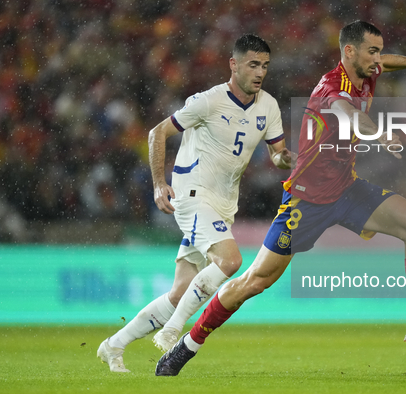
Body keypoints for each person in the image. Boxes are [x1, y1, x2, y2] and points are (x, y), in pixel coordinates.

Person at [155, 21, 406, 376]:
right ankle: (186, 346)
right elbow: (348, 113)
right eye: (372, 52)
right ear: (349, 52)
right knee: (254, 282)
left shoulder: (368, 69)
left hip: (346, 188)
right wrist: (380, 134)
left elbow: (388, 61)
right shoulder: (330, 88)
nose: (378, 60)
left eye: (378, 52)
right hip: (305, 201)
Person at [97, 34, 294, 373]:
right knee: (230, 261)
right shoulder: (208, 101)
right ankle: (174, 329)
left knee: (180, 291)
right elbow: (157, 132)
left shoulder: (268, 106)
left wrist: (286, 159)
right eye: (252, 64)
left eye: (264, 65)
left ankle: (113, 346)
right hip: (191, 195)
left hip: (223, 205)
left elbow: (277, 155)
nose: (260, 72)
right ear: (234, 65)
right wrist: (160, 184)